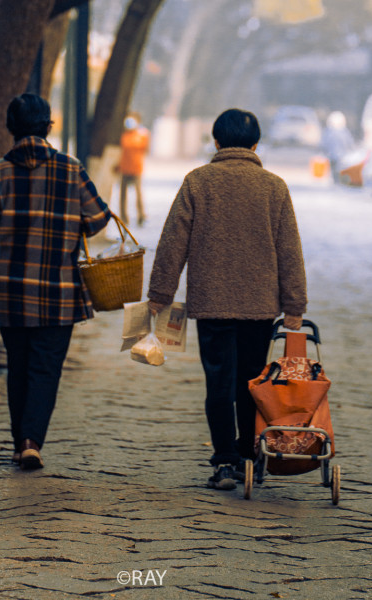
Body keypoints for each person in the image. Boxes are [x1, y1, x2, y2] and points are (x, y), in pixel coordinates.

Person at [147, 108, 307, 491]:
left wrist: (159, 294)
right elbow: (290, 251)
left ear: (216, 142)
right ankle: (249, 458)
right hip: (259, 306)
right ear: (256, 144)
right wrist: (294, 306)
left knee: (218, 383)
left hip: (212, 303)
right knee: (252, 382)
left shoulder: (198, 182)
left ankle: (224, 461)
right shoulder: (274, 186)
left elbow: (173, 243)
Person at [0, 93, 111, 471]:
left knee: (19, 366)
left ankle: (18, 441)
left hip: (11, 294)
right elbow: (99, 219)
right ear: (48, 126)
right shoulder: (71, 170)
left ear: (11, 128)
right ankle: (31, 441)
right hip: (59, 294)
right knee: (45, 369)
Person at [118, 114, 150, 226]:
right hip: (124, 168)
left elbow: (146, 149)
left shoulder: (142, 135)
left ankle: (141, 215)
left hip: (137, 168)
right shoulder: (123, 135)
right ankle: (123, 217)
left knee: (138, 194)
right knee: (123, 195)